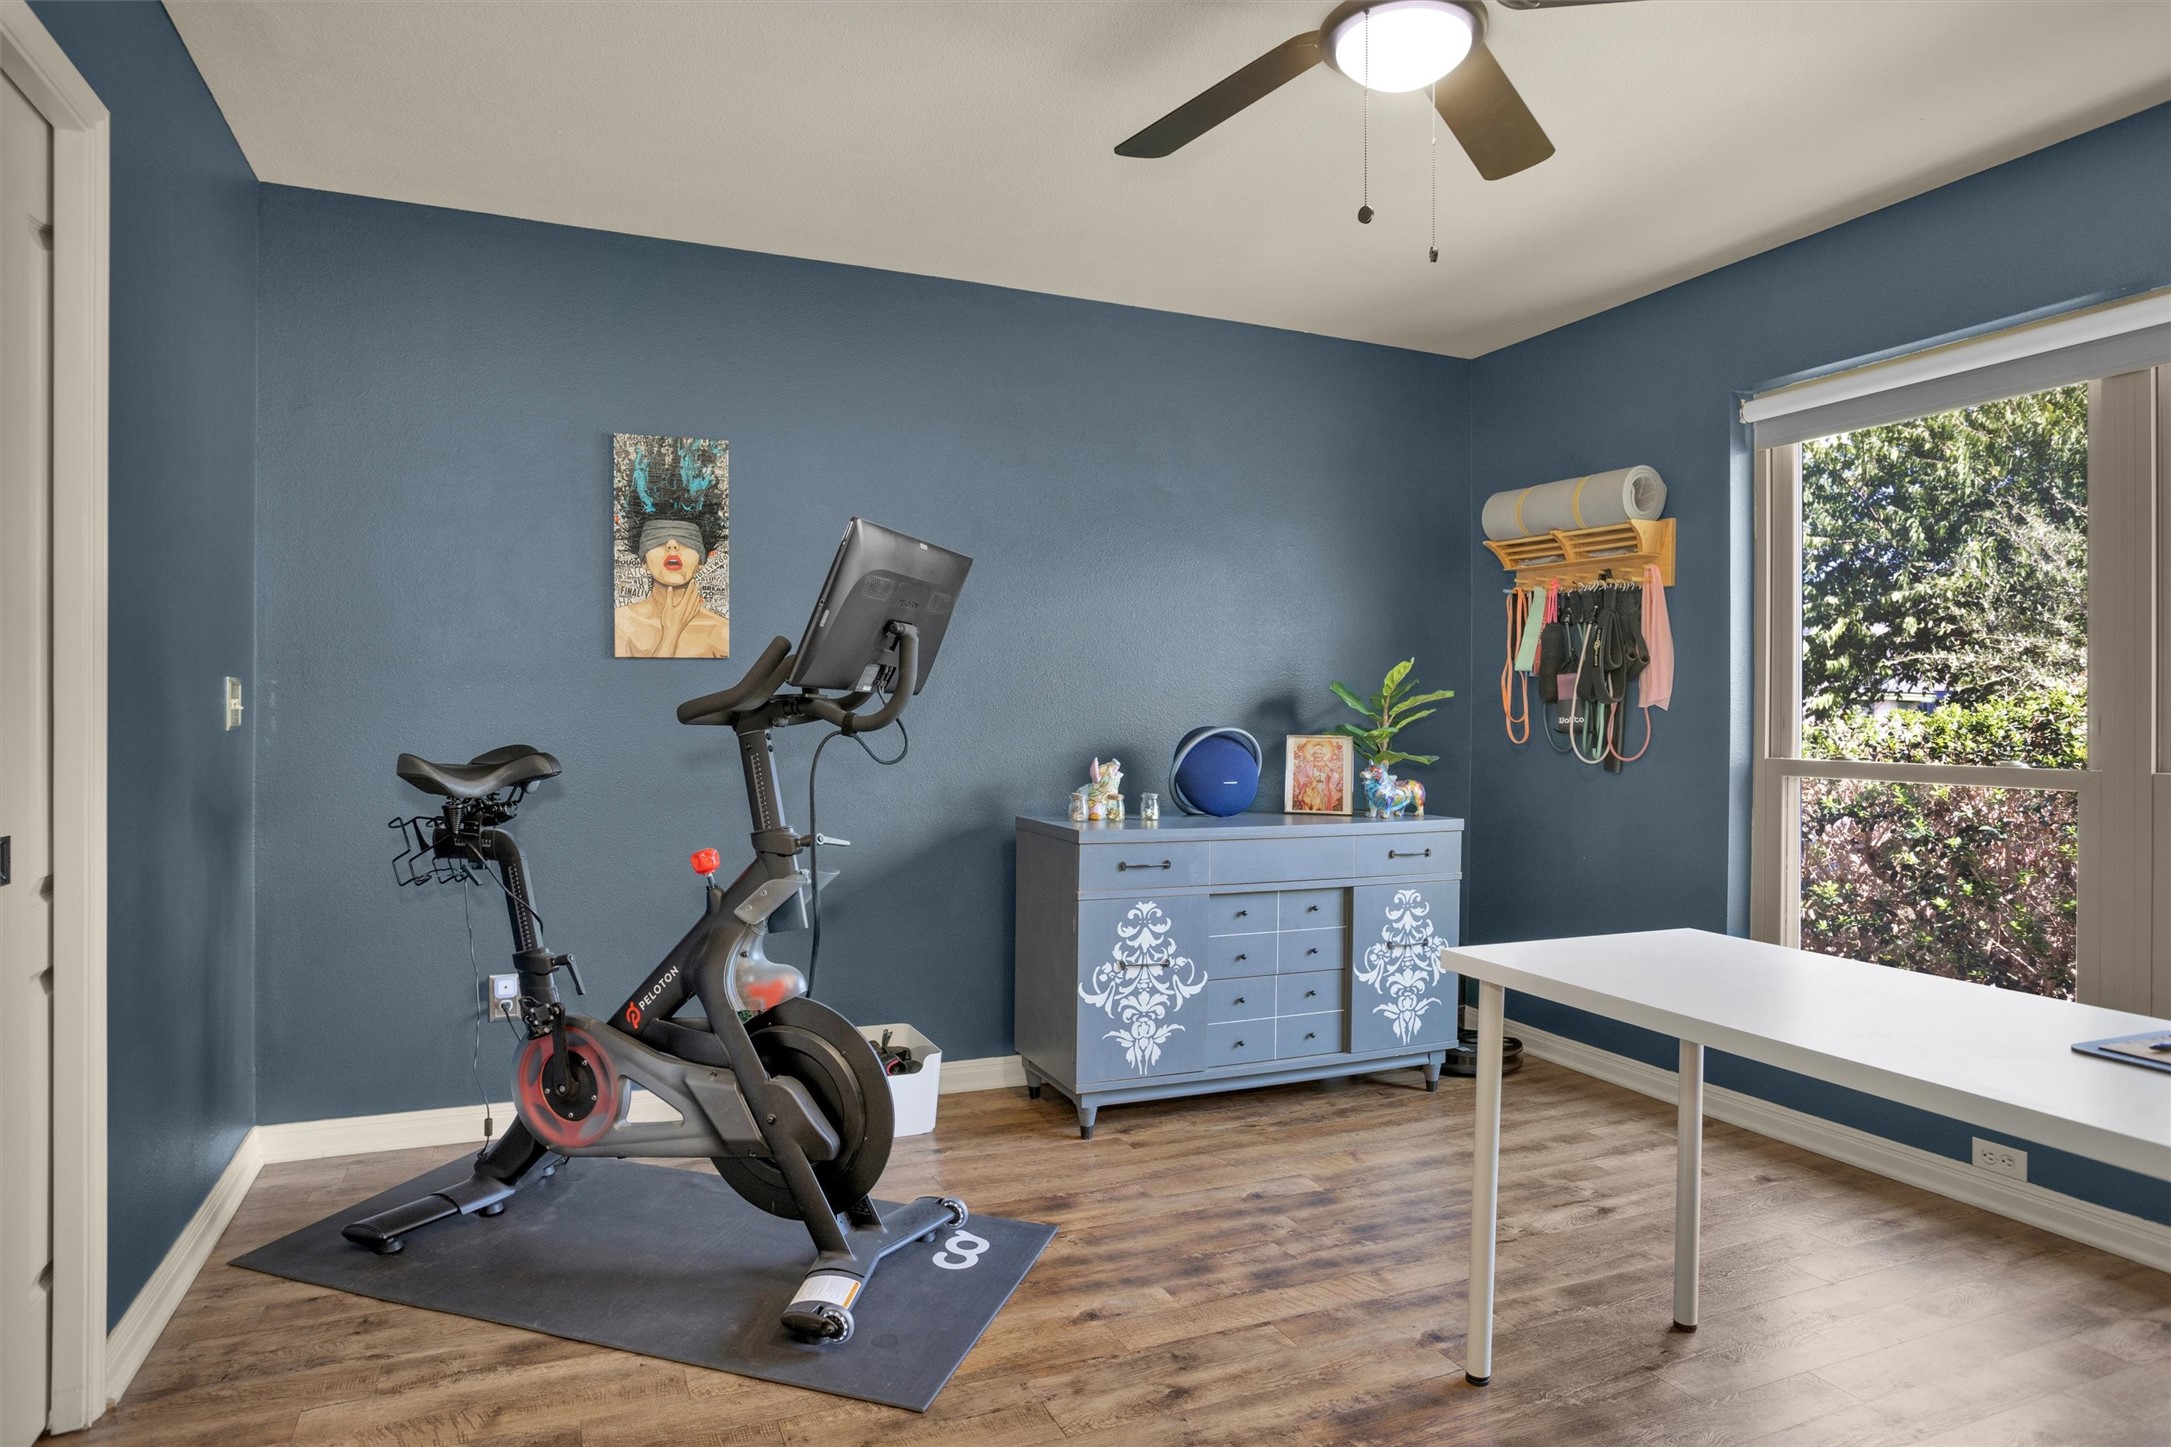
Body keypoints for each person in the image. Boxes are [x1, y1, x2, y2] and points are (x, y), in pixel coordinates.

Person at [613, 517, 730, 658]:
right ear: (643, 561)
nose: (672, 545)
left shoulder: (722, 632)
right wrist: (671, 634)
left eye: (686, 537)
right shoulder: (620, 623)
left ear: (701, 561)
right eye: (658, 536)